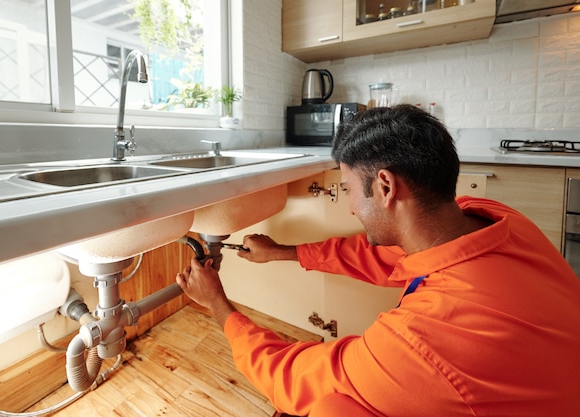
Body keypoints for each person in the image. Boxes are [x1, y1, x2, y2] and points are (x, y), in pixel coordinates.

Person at [176, 104, 580, 417]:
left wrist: (216, 302)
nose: (351, 207)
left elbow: (288, 376)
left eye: (349, 188)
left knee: (331, 407)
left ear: (385, 186)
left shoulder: (423, 342)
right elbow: (379, 257)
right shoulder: (493, 218)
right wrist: (281, 253)